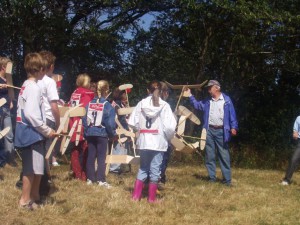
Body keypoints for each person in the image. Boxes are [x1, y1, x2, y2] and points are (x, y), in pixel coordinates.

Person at [15, 52, 56, 210]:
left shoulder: (28, 85)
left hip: (33, 132)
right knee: (31, 169)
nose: (45, 71)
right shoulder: (33, 88)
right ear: (38, 69)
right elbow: (31, 114)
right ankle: (25, 200)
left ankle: (34, 197)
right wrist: (47, 130)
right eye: (43, 68)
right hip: (30, 132)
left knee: (38, 167)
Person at [129, 80, 176, 203]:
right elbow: (170, 127)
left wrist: (140, 130)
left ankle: (136, 196)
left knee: (143, 168)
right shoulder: (164, 106)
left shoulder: (141, 104)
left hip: (144, 141)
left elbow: (132, 122)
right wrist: (168, 137)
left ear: (147, 90)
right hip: (158, 142)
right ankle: (151, 199)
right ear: (161, 91)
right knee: (155, 169)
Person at [185, 80, 238, 186]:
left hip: (222, 131)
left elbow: (232, 115)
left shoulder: (226, 100)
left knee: (224, 155)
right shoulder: (208, 101)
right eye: (208, 88)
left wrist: (234, 127)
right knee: (209, 155)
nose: (208, 90)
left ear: (217, 88)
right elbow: (197, 105)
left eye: (210, 88)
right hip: (208, 131)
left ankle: (227, 180)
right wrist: (190, 95)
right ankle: (212, 178)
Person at [82, 80, 116, 188]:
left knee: (91, 155)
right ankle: (101, 179)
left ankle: (90, 178)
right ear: (106, 91)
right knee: (101, 157)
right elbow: (110, 123)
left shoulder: (89, 104)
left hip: (91, 132)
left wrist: (87, 132)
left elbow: (84, 119)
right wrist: (112, 134)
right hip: (102, 133)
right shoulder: (108, 106)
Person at [69, 73, 94, 180]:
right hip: (82, 124)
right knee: (86, 149)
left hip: (73, 123)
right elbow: (88, 109)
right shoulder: (87, 93)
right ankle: (84, 173)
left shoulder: (74, 92)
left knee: (75, 149)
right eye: (88, 81)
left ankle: (76, 172)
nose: (89, 84)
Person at [37, 51, 60, 167]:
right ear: (51, 66)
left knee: (37, 149)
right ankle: (44, 178)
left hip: (37, 119)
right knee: (47, 150)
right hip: (48, 119)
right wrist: (58, 122)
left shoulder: (34, 80)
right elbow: (54, 106)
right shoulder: (50, 82)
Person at [110, 87, 131, 173]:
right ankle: (114, 168)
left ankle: (121, 167)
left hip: (122, 129)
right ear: (120, 94)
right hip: (119, 129)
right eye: (125, 94)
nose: (126, 95)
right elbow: (119, 119)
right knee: (118, 148)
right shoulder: (117, 105)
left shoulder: (120, 104)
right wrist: (126, 129)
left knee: (123, 148)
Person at [0, 57, 16, 167]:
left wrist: (11, 101)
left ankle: (10, 159)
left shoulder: (8, 80)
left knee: (9, 134)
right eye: (9, 67)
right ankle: (2, 161)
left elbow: (11, 94)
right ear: (3, 67)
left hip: (6, 109)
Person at [159, 81, 173, 185]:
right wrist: (170, 138)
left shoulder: (145, 103)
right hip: (162, 139)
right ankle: (158, 180)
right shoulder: (165, 106)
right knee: (162, 160)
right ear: (165, 93)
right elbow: (169, 127)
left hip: (148, 139)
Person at [280, 116, 300, 185]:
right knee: (294, 159)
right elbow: (295, 129)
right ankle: (286, 180)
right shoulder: (299, 118)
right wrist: (295, 132)